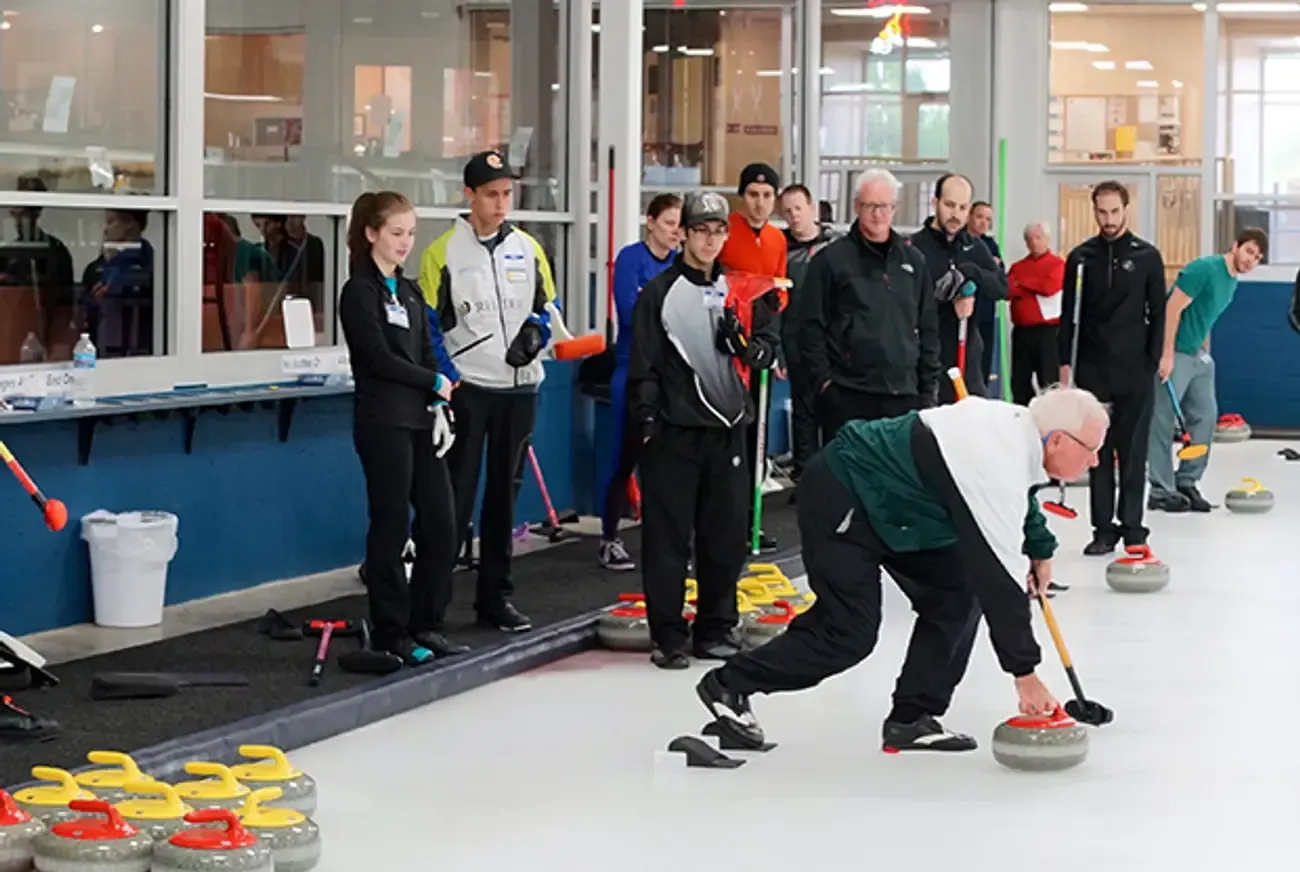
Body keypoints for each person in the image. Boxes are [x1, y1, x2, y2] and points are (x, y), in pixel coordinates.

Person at [696, 387, 1107, 752]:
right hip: (847, 493)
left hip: (905, 510)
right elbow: (999, 577)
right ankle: (728, 686)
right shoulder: (997, 455)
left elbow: (1023, 495)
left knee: (957, 595)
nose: (1096, 460)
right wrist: (1024, 673)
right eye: (1092, 450)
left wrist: (1041, 549)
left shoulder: (1019, 433)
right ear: (1057, 441)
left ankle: (912, 717)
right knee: (848, 633)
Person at [628, 191, 779, 669]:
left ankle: (715, 627)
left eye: (718, 231)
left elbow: (770, 343)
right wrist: (647, 423)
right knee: (668, 541)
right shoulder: (659, 293)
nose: (710, 240)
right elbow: (644, 362)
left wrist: (756, 350)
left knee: (725, 537)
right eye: (700, 230)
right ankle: (668, 635)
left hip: (729, 429)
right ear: (683, 234)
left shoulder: (742, 290)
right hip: (674, 433)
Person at [419, 151, 558, 633]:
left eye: (507, 194)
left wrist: (536, 334)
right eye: (492, 195)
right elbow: (429, 331)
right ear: (469, 195)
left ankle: (495, 600)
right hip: (470, 390)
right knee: (453, 500)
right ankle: (431, 606)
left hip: (522, 391)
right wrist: (445, 380)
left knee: (505, 498)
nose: (502, 204)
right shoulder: (441, 253)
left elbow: (545, 306)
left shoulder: (529, 247)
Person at [338, 191, 466, 664]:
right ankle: (392, 630)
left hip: (420, 420)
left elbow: (427, 346)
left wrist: (441, 391)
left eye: (411, 234)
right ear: (371, 233)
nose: (405, 243)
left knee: (441, 521)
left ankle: (426, 620)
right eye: (396, 233)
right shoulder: (359, 292)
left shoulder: (408, 292)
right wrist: (430, 379)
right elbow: (378, 358)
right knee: (391, 526)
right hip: (383, 422)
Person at [1058, 180, 1166, 555]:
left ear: (1126, 209)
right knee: (1097, 453)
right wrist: (1064, 367)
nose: (1108, 219)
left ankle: (1134, 527)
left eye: (1114, 212)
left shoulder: (1148, 257)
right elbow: (1068, 317)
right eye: (1102, 212)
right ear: (1094, 212)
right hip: (1092, 371)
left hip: (1134, 370)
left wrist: (1152, 362)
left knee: (1134, 453)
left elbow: (1158, 313)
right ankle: (1103, 529)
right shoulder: (1080, 258)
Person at [796, 168, 941, 438]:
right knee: (848, 478)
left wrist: (927, 391)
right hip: (848, 395)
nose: (877, 214)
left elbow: (929, 329)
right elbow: (809, 328)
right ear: (856, 207)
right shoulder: (830, 261)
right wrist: (825, 385)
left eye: (884, 206)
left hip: (904, 396)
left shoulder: (914, 261)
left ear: (894, 209)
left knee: (897, 478)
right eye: (870, 206)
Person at [1148, 227, 1267, 513]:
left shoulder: (1232, 281)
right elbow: (1172, 309)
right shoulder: (1204, 269)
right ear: (1235, 245)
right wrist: (1166, 355)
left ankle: (1187, 481)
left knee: (1205, 416)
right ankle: (1161, 490)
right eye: (1249, 251)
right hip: (1172, 350)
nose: (1251, 260)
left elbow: (1204, 318)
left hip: (1195, 353)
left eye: (1258, 257)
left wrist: (1202, 352)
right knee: (1162, 420)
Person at [598, 194, 682, 571]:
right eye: (668, 224)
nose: (675, 233)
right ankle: (609, 538)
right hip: (632, 372)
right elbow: (632, 314)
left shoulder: (680, 264)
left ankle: (667, 543)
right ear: (650, 222)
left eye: (680, 226)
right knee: (622, 456)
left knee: (667, 464)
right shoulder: (632, 258)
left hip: (671, 376)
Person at [719, 162, 787, 554]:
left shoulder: (777, 240)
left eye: (766, 196)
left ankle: (750, 521)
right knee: (730, 442)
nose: (760, 203)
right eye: (753, 195)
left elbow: (781, 287)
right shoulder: (727, 231)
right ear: (742, 196)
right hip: (729, 345)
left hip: (761, 342)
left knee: (755, 441)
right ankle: (724, 523)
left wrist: (777, 301)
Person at [909, 174, 1008, 404]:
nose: (956, 215)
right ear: (935, 204)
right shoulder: (915, 248)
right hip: (926, 360)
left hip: (967, 357)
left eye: (963, 207)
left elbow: (1003, 289)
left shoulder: (974, 247)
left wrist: (971, 272)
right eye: (950, 205)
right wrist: (948, 297)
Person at [779, 183, 838, 486]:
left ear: (812, 208)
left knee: (833, 407)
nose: (793, 216)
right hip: (795, 341)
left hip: (832, 344)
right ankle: (805, 477)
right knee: (803, 411)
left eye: (798, 209)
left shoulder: (835, 247)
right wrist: (777, 349)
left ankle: (833, 476)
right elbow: (774, 304)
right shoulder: (781, 250)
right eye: (787, 211)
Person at [1007, 221, 1065, 405]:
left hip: (1047, 331)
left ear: (1047, 239)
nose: (1034, 242)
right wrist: (1034, 285)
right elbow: (1008, 290)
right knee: (1019, 382)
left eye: (1038, 238)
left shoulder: (1057, 264)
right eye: (1029, 239)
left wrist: (1022, 283)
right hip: (1022, 330)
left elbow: (1049, 288)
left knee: (1048, 382)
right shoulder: (1018, 266)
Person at [967, 200, 1004, 379]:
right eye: (979, 217)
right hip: (961, 315)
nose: (983, 222)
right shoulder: (960, 243)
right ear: (969, 217)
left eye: (988, 219)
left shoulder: (991, 246)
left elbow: (1000, 280)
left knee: (983, 367)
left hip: (986, 314)